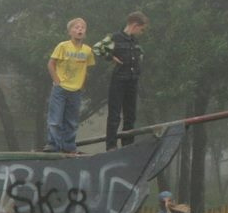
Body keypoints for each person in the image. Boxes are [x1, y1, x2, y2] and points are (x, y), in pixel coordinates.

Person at [44, 18, 98, 153]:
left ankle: (69, 145)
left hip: (76, 89)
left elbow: (87, 68)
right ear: (70, 32)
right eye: (76, 27)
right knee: (55, 118)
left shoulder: (87, 50)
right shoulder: (63, 46)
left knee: (72, 120)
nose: (79, 30)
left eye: (82, 28)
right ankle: (53, 144)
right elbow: (51, 63)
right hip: (61, 88)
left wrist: (83, 84)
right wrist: (57, 81)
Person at [104, 12, 150, 151]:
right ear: (135, 25)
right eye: (141, 29)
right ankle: (111, 145)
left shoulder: (134, 41)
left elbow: (140, 53)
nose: (141, 32)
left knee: (130, 114)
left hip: (132, 80)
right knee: (114, 114)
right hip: (119, 80)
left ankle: (128, 144)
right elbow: (98, 48)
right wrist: (111, 57)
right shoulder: (114, 37)